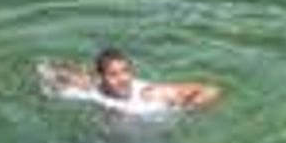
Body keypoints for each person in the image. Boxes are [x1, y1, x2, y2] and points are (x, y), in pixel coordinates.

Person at [37, 47, 222, 113]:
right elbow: (45, 70)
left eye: (126, 71)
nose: (123, 79)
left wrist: (181, 110)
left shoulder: (148, 94)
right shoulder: (92, 89)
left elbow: (211, 90)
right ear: (101, 77)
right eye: (114, 74)